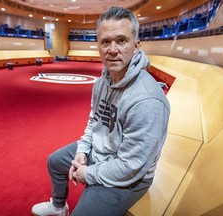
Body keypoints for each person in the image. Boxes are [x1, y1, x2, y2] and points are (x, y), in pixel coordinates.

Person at [32, 6, 170, 216]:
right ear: (98, 46)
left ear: (136, 46)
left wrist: (88, 173)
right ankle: (59, 207)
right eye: (106, 41)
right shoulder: (101, 82)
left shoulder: (147, 100)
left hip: (131, 177)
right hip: (101, 150)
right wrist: (81, 151)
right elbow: (94, 122)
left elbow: (131, 165)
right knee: (55, 161)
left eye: (121, 40)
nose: (112, 49)